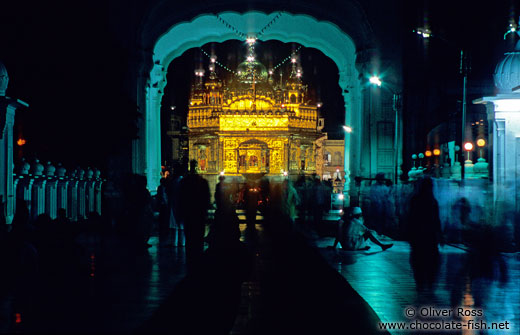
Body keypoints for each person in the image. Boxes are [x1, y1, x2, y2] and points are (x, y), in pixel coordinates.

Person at [177, 160, 210, 274]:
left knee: (191, 238)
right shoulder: (202, 182)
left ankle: (192, 260)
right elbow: (206, 199)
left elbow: (180, 199)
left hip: (190, 214)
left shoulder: (185, 182)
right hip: (197, 214)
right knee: (196, 238)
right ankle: (196, 259)